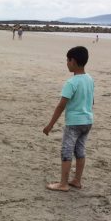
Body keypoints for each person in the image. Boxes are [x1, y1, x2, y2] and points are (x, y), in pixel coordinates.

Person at [43, 46, 94, 191]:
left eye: (68, 60)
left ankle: (63, 183)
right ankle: (77, 180)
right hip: (87, 121)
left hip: (74, 123)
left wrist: (50, 125)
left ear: (74, 61)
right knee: (80, 150)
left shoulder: (71, 83)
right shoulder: (90, 79)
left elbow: (61, 106)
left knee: (67, 151)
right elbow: (91, 101)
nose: (66, 63)